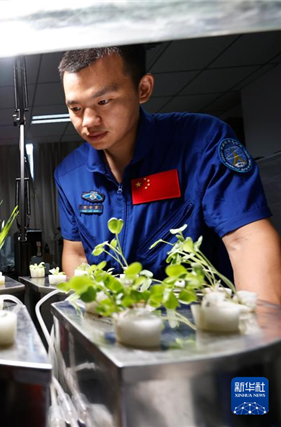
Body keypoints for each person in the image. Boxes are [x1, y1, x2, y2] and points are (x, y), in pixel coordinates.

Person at [54, 45, 281, 304]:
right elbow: (77, 254)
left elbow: (246, 238)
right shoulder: (69, 174)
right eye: (76, 108)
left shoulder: (202, 141)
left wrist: (262, 322)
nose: (87, 122)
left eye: (103, 102)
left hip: (198, 315)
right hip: (115, 319)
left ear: (143, 89)